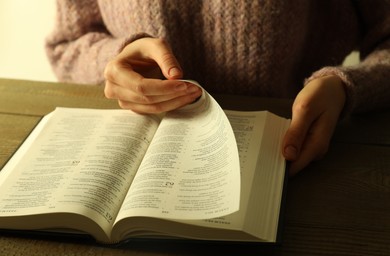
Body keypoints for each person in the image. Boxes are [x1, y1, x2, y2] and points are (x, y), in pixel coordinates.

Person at [45, 0, 390, 175]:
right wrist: (114, 60)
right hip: (137, 167)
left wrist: (346, 87)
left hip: (295, 166)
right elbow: (67, 45)